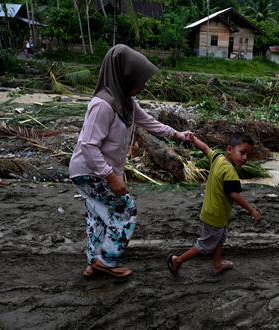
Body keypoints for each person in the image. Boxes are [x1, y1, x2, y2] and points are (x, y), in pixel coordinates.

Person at [69, 44, 190, 278]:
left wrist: (177, 134)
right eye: (140, 80)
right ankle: (108, 260)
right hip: (90, 171)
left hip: (93, 172)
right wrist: (112, 177)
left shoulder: (125, 102)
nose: (143, 85)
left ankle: (94, 263)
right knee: (126, 209)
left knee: (99, 216)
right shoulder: (102, 104)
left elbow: (149, 122)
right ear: (125, 76)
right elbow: (88, 145)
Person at [167, 132, 263, 277]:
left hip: (215, 213)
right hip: (215, 216)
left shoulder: (218, 158)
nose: (244, 158)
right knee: (205, 245)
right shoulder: (230, 172)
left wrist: (194, 139)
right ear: (229, 150)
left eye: (247, 154)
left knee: (219, 239)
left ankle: (217, 265)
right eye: (242, 153)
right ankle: (177, 260)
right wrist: (252, 210)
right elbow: (234, 195)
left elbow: (205, 149)